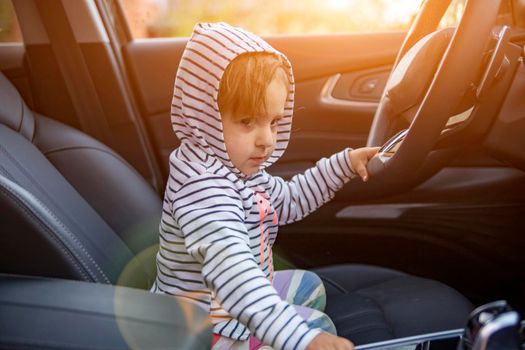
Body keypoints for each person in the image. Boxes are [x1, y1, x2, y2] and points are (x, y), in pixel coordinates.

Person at [151, 22, 380, 350]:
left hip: (231, 300)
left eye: (273, 122)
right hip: (206, 326)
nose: (267, 140)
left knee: (309, 287)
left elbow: (288, 200)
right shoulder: (203, 189)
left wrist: (343, 165)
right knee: (318, 325)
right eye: (248, 122)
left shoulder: (236, 169)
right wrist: (304, 338)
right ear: (205, 115)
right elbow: (235, 276)